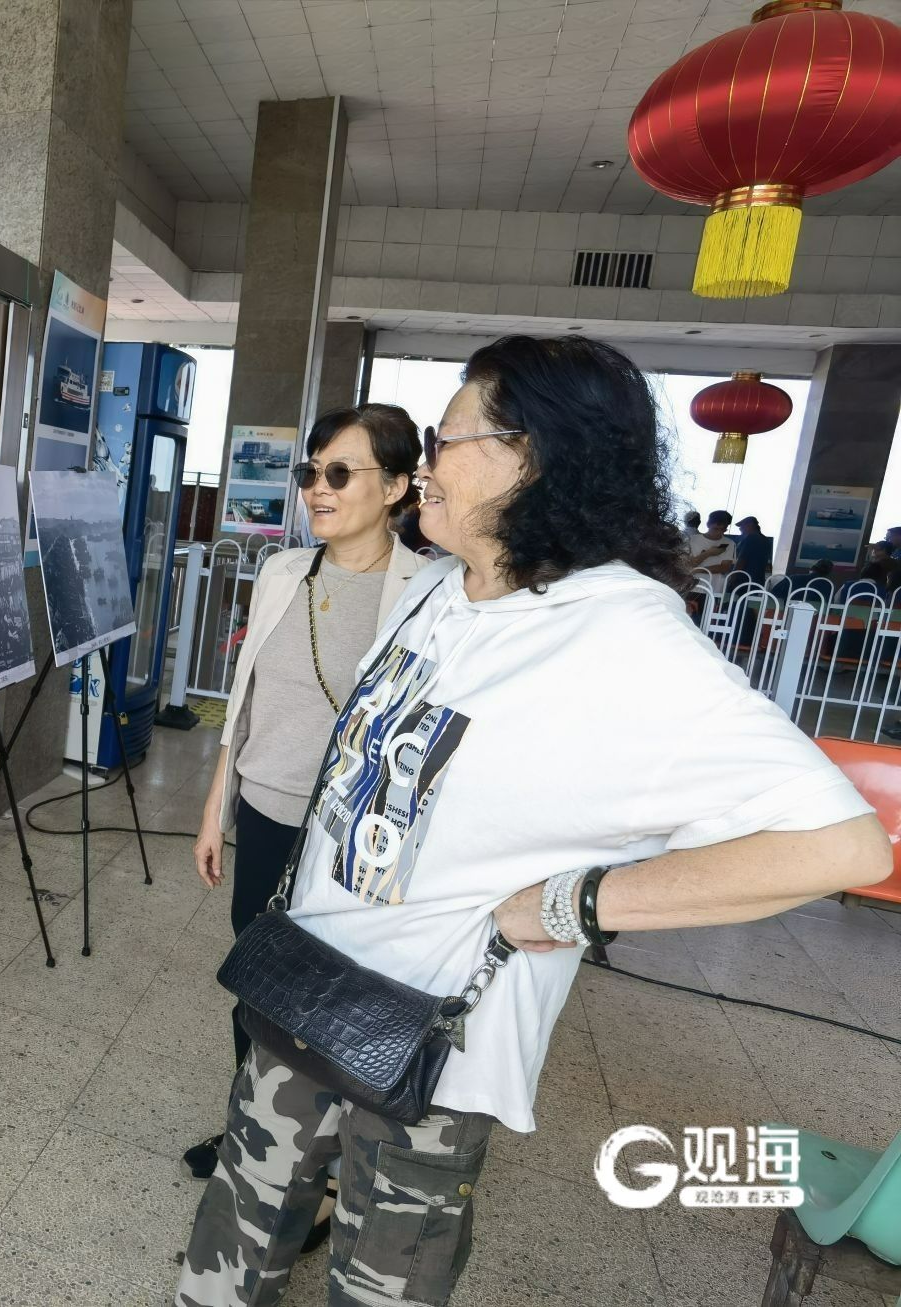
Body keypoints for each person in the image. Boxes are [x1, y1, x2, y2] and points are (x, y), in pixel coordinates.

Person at [176, 335, 889, 1307]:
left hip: (425, 1050)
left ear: (532, 457)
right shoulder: (436, 589)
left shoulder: (615, 630)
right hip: (302, 989)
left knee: (379, 1284)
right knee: (233, 1238)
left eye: (447, 436)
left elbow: (836, 843)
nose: (425, 461)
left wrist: (570, 903)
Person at [186, 403, 427, 1214]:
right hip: (265, 812)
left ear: (395, 486)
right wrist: (217, 804)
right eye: (309, 473)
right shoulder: (284, 572)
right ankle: (251, 1137)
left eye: (338, 473)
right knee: (257, 985)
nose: (316, 491)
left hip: (350, 840)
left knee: (326, 1004)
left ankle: (317, 1181)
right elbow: (246, 697)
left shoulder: (427, 594)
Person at [684, 509, 737, 575]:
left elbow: (724, 567)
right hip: (692, 584)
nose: (719, 532)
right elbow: (687, 565)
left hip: (715, 585)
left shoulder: (730, 543)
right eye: (716, 529)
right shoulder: (692, 540)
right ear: (708, 524)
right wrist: (709, 553)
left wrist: (698, 570)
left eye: (723, 530)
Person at [733, 515, 772, 586]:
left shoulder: (751, 538)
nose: (740, 529)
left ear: (750, 525)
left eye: (741, 527)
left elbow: (741, 560)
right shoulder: (765, 540)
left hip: (743, 580)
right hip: (758, 580)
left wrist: (732, 577)